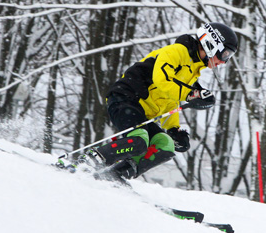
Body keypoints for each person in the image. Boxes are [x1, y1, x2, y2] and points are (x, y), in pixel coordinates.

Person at [96, 21, 238, 179]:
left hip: (142, 113)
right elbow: (161, 81)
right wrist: (190, 94)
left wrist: (173, 129)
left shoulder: (193, 68)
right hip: (125, 98)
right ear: (211, 44)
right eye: (225, 54)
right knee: (139, 140)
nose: (224, 61)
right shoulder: (177, 52)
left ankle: (118, 174)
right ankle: (92, 160)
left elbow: (170, 98)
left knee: (165, 145)